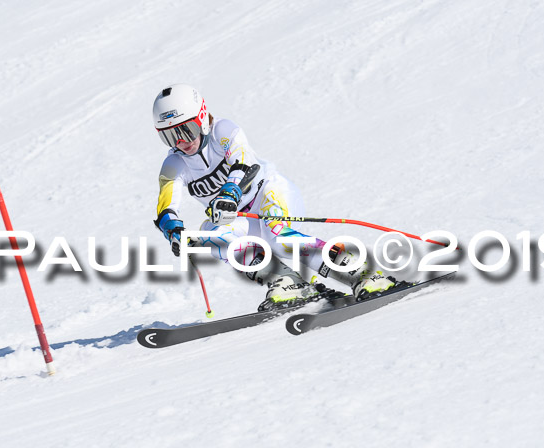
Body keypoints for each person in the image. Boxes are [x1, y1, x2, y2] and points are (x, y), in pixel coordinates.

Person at [152, 84, 396, 310]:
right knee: (210, 236)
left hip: (269, 194)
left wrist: (230, 192)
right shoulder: (174, 164)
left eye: (186, 130)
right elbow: (165, 208)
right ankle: (289, 282)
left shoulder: (223, 131)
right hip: (239, 217)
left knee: (278, 237)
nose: (181, 142)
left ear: (202, 118)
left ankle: (362, 274)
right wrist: (174, 232)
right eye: (170, 136)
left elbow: (243, 162)